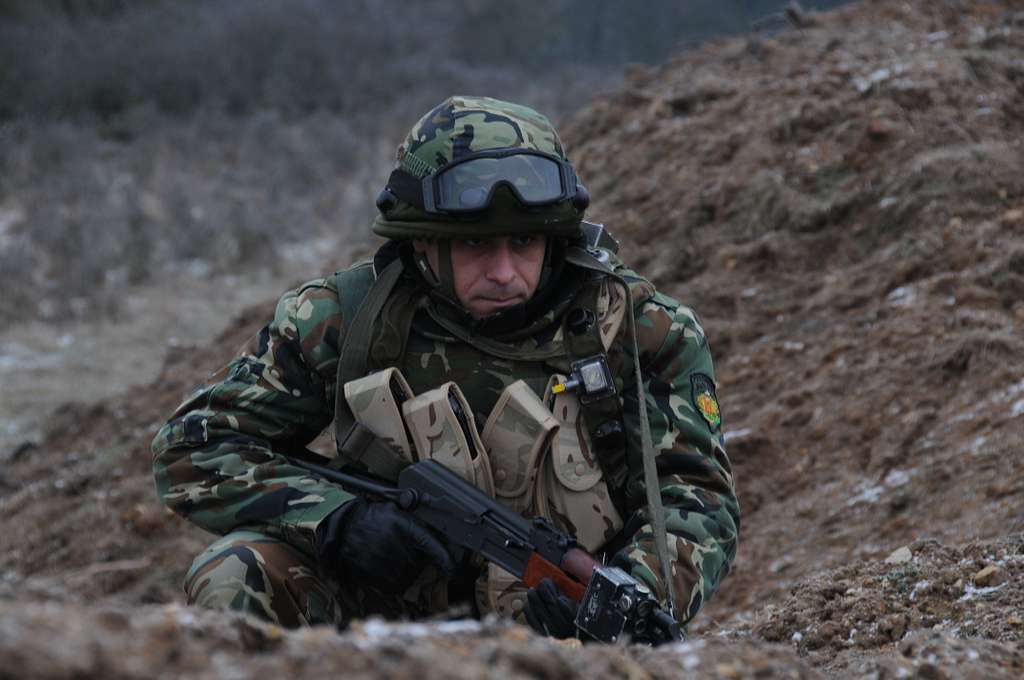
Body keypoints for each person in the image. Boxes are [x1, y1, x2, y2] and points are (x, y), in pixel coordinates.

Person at [151, 95, 739, 637]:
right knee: (236, 570)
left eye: (525, 244)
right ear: (424, 243)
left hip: (557, 624)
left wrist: (609, 606)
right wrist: (337, 522)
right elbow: (193, 449)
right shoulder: (343, 318)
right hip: (377, 615)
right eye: (476, 246)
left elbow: (697, 501)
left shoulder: (638, 332)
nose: (505, 272)